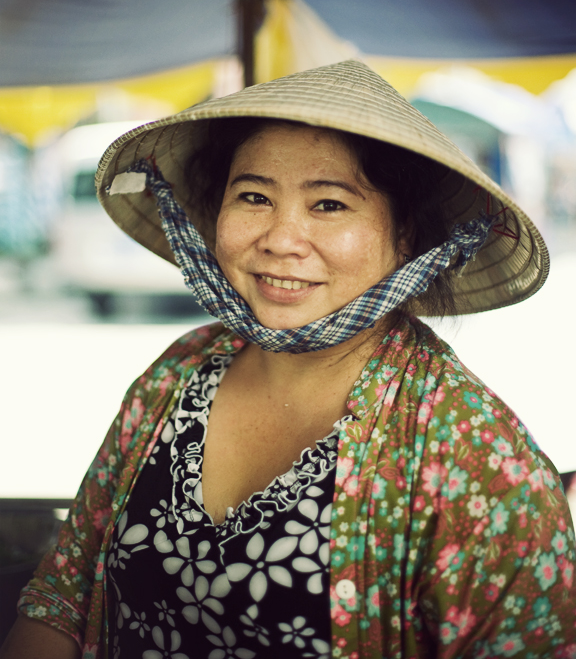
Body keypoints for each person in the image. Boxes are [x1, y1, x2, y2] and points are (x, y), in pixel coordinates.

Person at [2, 60, 574, 659]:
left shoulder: (474, 450)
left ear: (406, 235)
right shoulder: (179, 371)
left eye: (329, 204)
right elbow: (63, 598)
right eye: (253, 196)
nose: (279, 238)